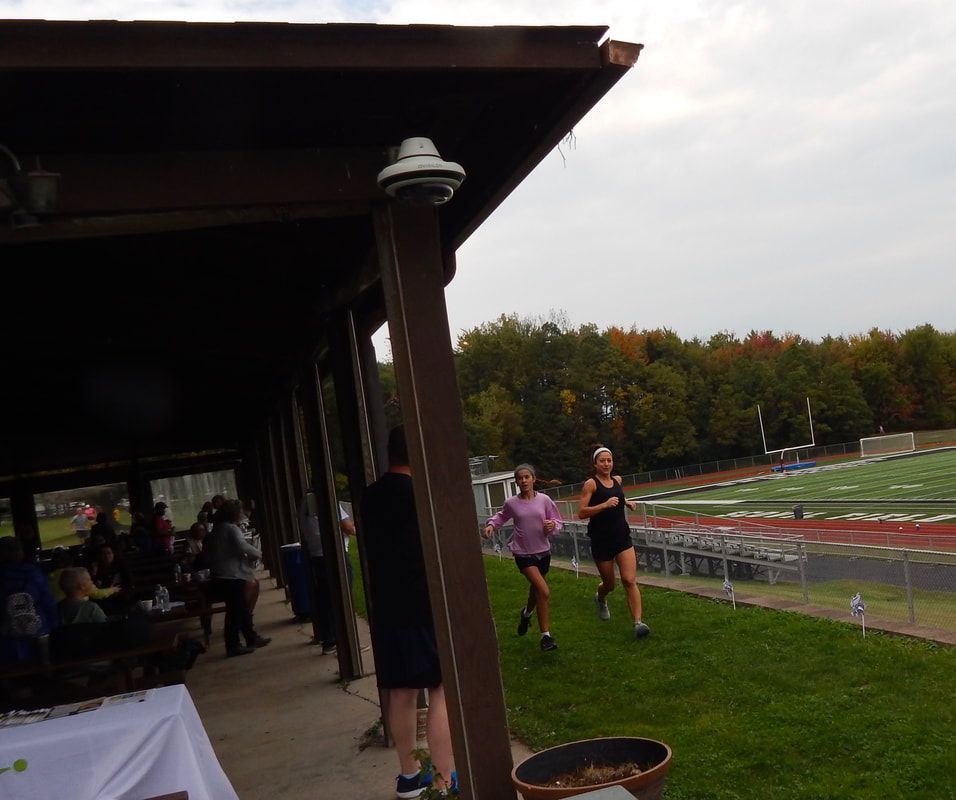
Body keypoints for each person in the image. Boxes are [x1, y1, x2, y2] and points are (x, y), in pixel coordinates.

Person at [360, 425, 456, 798]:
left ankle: (408, 776)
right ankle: (444, 779)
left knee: (400, 691)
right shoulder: (420, 495)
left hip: (386, 605)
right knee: (441, 688)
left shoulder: (370, 497)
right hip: (421, 603)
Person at [483, 463, 562, 651]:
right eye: (520, 478)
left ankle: (526, 614)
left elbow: (557, 521)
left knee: (535, 591)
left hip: (543, 552)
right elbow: (502, 516)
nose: (524, 480)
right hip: (523, 553)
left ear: (533, 479)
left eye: (527, 477)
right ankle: (545, 637)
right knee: (543, 591)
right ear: (517, 482)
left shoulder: (544, 500)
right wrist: (491, 526)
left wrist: (552, 526)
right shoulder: (512, 503)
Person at [577, 446, 650, 639]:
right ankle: (600, 597)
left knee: (629, 579)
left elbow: (618, 496)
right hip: (601, 540)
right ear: (595, 464)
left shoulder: (617, 480)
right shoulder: (590, 484)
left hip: (621, 536)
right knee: (610, 584)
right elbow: (581, 512)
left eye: (609, 460)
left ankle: (638, 623)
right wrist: (603, 505)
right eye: (602, 461)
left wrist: (627, 503)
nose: (606, 464)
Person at [203, 499, 270, 656]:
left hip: (222, 574)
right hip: (231, 575)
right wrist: (258, 553)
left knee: (240, 608)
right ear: (233, 513)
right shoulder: (231, 529)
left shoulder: (218, 528)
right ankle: (233, 645)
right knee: (235, 611)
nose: (241, 514)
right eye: (239, 511)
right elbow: (242, 546)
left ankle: (251, 637)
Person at [298, 491, 355, 655]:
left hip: (316, 555)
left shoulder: (303, 505)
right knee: (343, 597)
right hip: (334, 554)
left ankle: (329, 639)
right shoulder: (327, 501)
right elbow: (347, 527)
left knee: (325, 598)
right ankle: (344, 641)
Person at [0, 535, 58, 666]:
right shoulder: (34, 573)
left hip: (7, 633)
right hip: (39, 628)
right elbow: (47, 601)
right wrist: (52, 624)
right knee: (42, 668)